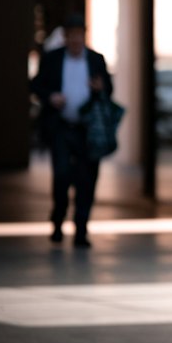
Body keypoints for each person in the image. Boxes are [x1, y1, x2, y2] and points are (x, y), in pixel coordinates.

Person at [32, 13, 112, 249]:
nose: (76, 40)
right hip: (61, 128)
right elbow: (36, 85)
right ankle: (58, 219)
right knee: (62, 175)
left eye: (79, 36)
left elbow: (109, 88)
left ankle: (81, 228)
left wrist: (100, 89)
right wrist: (51, 97)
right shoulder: (53, 59)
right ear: (65, 37)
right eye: (72, 36)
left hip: (87, 130)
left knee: (87, 180)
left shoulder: (96, 60)